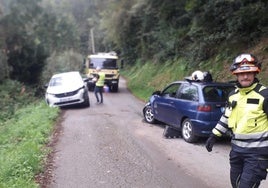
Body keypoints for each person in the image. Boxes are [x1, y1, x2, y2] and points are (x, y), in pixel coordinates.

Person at [205, 53, 268, 188]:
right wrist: (214, 135)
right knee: (236, 184)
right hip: (236, 152)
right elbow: (226, 117)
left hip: (257, 155)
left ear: (255, 73)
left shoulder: (264, 95)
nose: (245, 76)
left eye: (249, 73)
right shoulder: (233, 95)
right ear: (236, 74)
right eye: (241, 73)